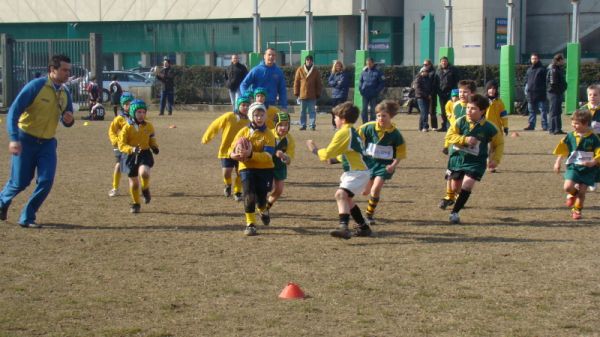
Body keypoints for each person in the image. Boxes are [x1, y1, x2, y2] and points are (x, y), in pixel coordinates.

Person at [0, 54, 75, 228]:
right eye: (64, 70)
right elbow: (14, 111)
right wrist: (14, 138)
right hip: (25, 139)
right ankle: (2, 201)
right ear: (52, 70)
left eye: (69, 70)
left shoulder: (65, 92)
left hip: (47, 143)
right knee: (20, 182)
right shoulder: (36, 86)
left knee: (46, 180)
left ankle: (27, 216)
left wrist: (68, 120)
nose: (67, 74)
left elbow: (67, 119)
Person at [306, 102, 372, 239]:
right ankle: (363, 227)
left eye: (335, 117)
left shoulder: (344, 132)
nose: (334, 120)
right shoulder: (351, 131)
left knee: (340, 194)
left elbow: (328, 153)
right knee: (347, 199)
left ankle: (344, 227)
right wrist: (335, 160)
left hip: (358, 172)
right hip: (357, 170)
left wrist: (314, 149)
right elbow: (351, 152)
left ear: (342, 119)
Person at [442, 94, 504, 224]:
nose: (469, 111)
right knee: (455, 187)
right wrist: (464, 139)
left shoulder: (489, 127)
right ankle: (456, 198)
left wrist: (495, 160)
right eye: (468, 108)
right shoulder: (460, 121)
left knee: (468, 184)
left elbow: (499, 144)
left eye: (473, 109)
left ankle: (454, 212)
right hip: (458, 159)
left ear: (482, 111)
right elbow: (449, 136)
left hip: (476, 162)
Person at [229, 102, 276, 236]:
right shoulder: (243, 132)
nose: (259, 118)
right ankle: (250, 224)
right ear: (251, 116)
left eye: (262, 115)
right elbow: (232, 148)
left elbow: (268, 156)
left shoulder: (269, 135)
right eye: (256, 115)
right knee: (249, 195)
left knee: (261, 198)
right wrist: (234, 155)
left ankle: (263, 209)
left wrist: (250, 154)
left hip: (265, 169)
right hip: (246, 168)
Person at [359, 100, 406, 225]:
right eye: (378, 115)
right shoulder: (368, 127)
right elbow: (357, 138)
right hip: (369, 163)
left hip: (384, 165)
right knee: (365, 192)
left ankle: (369, 215)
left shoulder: (396, 134)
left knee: (375, 189)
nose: (381, 118)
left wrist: (393, 165)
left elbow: (400, 152)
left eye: (384, 116)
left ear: (391, 116)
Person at [201, 95, 251, 202]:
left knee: (240, 173)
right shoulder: (229, 116)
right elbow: (215, 125)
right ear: (238, 106)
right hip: (226, 150)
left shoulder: (250, 121)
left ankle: (237, 192)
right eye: (243, 105)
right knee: (226, 172)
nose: (245, 107)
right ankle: (228, 184)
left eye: (247, 105)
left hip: (241, 151)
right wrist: (207, 137)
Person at [552, 109, 600, 220]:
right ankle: (573, 194)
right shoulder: (569, 136)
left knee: (582, 192)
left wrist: (593, 162)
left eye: (577, 123)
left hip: (589, 169)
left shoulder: (593, 138)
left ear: (586, 123)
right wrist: (558, 161)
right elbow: (563, 149)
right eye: (573, 122)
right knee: (567, 187)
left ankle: (577, 210)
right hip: (573, 166)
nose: (574, 125)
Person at [118, 99, 159, 213]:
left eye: (143, 112)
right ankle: (136, 203)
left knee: (144, 173)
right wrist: (131, 149)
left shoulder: (149, 125)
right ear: (132, 112)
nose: (141, 115)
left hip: (144, 153)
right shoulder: (127, 127)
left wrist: (154, 146)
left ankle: (145, 189)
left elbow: (151, 138)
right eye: (138, 112)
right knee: (135, 184)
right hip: (130, 156)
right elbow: (121, 144)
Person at [239, 48, 288, 112]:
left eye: (273, 55)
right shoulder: (256, 70)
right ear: (264, 56)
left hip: (272, 105)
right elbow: (243, 84)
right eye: (269, 54)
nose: (271, 57)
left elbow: (282, 90)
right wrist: (247, 96)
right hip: (257, 105)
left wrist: (284, 106)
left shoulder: (278, 72)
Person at [266, 111, 295, 212]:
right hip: (267, 166)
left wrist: (285, 157)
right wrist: (273, 152)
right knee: (269, 186)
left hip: (280, 166)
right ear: (275, 125)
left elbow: (290, 158)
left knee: (279, 190)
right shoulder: (268, 134)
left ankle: (267, 206)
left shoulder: (289, 139)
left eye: (286, 125)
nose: (283, 128)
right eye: (280, 125)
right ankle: (260, 201)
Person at [108, 92, 135, 197]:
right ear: (122, 105)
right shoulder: (119, 118)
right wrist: (115, 140)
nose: (128, 105)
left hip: (132, 146)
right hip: (120, 145)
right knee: (118, 165)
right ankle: (115, 188)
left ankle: (135, 187)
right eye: (126, 104)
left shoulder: (136, 117)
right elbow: (112, 131)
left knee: (133, 167)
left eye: (130, 103)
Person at [484, 80, 509, 172]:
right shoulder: (483, 101)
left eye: (494, 88)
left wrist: (505, 126)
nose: (492, 90)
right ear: (486, 89)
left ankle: (491, 164)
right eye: (490, 88)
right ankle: (489, 165)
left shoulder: (499, 102)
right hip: (486, 129)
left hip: (497, 129)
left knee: (495, 148)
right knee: (488, 147)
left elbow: (504, 115)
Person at [294, 55, 322, 131]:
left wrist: (318, 93)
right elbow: (296, 82)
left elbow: (319, 83)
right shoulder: (300, 69)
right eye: (307, 60)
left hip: (312, 95)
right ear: (305, 61)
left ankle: (312, 125)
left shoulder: (315, 71)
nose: (308, 61)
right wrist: (296, 93)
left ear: (312, 61)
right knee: (302, 111)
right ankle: (303, 125)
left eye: (310, 60)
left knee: (312, 111)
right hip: (302, 94)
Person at [580, 84, 600, 191]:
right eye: (590, 95)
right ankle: (587, 180)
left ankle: (596, 180)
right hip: (587, 139)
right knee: (587, 159)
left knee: (597, 160)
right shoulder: (583, 109)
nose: (592, 97)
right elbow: (576, 123)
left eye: (595, 95)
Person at [524, 53, 548, 131]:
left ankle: (545, 126)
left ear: (538, 59)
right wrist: (526, 90)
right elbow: (526, 81)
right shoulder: (529, 70)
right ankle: (531, 125)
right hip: (530, 94)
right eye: (532, 59)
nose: (534, 60)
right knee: (531, 111)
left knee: (543, 110)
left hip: (541, 93)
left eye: (535, 58)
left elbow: (546, 81)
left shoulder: (542, 69)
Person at [436, 56, 460, 131]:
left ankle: (451, 126)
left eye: (445, 61)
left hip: (451, 93)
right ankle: (444, 126)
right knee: (443, 111)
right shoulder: (438, 71)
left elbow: (457, 81)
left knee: (451, 109)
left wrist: (455, 93)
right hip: (441, 93)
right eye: (442, 61)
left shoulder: (453, 70)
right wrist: (438, 91)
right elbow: (436, 82)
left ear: (447, 62)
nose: (444, 62)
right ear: (440, 62)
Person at [359, 57, 385, 123]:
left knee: (373, 110)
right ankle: (365, 123)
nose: (368, 65)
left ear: (373, 63)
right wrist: (361, 90)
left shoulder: (378, 72)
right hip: (365, 94)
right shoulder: (363, 72)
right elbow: (361, 82)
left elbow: (382, 83)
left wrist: (376, 91)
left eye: (370, 63)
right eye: (367, 64)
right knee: (364, 110)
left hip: (374, 94)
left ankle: (372, 123)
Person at [547, 53, 567, 135]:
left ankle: (558, 128)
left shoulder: (558, 69)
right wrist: (560, 89)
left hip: (557, 93)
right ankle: (552, 129)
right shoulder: (553, 69)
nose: (564, 61)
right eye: (563, 59)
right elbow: (553, 83)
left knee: (558, 111)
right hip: (554, 93)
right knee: (554, 111)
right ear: (559, 60)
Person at [328, 60, 349, 129]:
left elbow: (341, 84)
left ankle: (341, 124)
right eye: (336, 66)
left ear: (341, 66)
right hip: (334, 95)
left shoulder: (344, 74)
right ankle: (334, 125)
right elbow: (329, 82)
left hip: (342, 95)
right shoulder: (333, 73)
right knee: (333, 111)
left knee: (341, 111)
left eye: (339, 66)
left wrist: (335, 84)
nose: (338, 67)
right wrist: (336, 82)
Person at [412, 67, 432, 132]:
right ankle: (425, 127)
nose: (426, 72)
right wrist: (427, 95)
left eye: (427, 71)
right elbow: (418, 90)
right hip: (420, 98)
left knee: (424, 112)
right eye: (424, 71)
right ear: (421, 72)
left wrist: (430, 94)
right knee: (424, 112)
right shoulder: (418, 79)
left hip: (427, 97)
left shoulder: (428, 79)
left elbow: (429, 88)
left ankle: (420, 127)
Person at [422, 59, 438, 130]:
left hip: (432, 94)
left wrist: (431, 94)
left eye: (426, 65)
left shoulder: (433, 73)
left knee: (432, 111)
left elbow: (434, 85)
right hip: (424, 94)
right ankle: (424, 126)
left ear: (430, 65)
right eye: (424, 65)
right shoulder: (422, 72)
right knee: (424, 111)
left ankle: (434, 126)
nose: (424, 66)